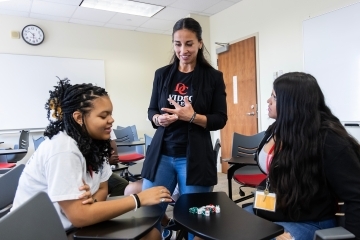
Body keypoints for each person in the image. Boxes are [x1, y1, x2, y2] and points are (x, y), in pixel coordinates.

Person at [11, 79, 172, 240]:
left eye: (110, 113)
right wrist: (138, 199)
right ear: (79, 117)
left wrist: (92, 203)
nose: (111, 120)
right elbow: (79, 216)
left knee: (152, 234)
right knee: (150, 237)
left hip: (73, 225)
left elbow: (103, 188)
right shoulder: (63, 149)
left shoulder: (94, 144)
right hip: (44, 233)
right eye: (103, 115)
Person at [244, 72, 360, 240]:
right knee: (219, 229)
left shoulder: (329, 141)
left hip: (308, 220)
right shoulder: (278, 129)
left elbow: (356, 196)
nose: (268, 101)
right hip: (272, 212)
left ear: (291, 104)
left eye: (274, 97)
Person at [141, 17, 227, 239]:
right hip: (162, 154)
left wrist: (193, 117)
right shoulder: (162, 74)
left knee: (196, 220)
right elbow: (151, 110)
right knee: (147, 215)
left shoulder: (213, 77)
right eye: (177, 44)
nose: (183, 50)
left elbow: (220, 119)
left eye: (189, 43)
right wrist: (158, 119)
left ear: (200, 43)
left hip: (194, 157)